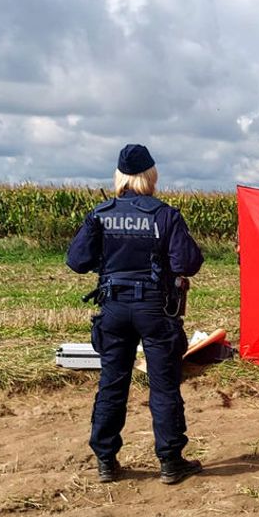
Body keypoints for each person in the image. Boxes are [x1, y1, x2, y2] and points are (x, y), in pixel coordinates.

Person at [67, 144, 205, 485]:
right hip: (155, 310)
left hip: (113, 309)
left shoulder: (101, 214)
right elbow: (188, 263)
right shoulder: (164, 215)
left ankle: (105, 460)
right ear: (150, 176)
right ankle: (171, 461)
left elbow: (77, 261)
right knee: (163, 386)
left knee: (112, 384)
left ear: (120, 176)